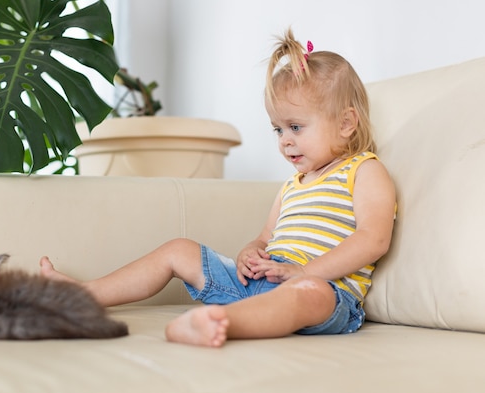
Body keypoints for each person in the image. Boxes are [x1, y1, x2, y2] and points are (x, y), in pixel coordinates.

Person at [40, 28, 396, 348]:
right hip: (261, 283)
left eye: (296, 127)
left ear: (347, 123)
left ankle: (221, 322)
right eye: (278, 130)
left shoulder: (363, 170)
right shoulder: (293, 185)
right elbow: (265, 237)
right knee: (179, 249)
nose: (285, 142)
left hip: (326, 295)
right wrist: (250, 252)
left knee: (310, 293)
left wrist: (306, 272)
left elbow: (373, 239)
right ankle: (82, 295)